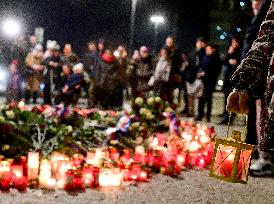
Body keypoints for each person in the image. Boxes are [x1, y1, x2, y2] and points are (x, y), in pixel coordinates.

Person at [227, 2, 274, 176]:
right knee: (261, 114)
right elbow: (266, 36)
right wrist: (244, 80)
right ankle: (264, 156)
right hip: (265, 75)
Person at [241, 0, 272, 148]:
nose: (254, 5)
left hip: (262, 70)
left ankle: (261, 150)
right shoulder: (258, 17)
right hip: (258, 69)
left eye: (256, 2)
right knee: (255, 111)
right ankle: (255, 145)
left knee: (261, 112)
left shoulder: (265, 12)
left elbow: (261, 40)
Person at [196, 44, 222, 122]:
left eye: (209, 49)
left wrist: (206, 73)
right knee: (201, 99)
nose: (207, 51)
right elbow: (200, 66)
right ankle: (200, 115)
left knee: (208, 99)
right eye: (206, 49)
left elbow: (217, 71)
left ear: (213, 50)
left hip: (210, 82)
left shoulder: (216, 59)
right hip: (202, 81)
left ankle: (208, 116)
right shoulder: (204, 57)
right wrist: (199, 72)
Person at [220, 36, 243, 124]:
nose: (234, 44)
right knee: (226, 97)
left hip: (236, 78)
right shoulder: (230, 51)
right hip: (228, 78)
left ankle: (229, 117)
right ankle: (226, 115)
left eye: (235, 42)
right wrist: (229, 54)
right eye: (232, 42)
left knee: (232, 98)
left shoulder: (241, 52)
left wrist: (235, 62)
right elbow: (224, 61)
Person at [42, 40, 62, 105]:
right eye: (52, 51)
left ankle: (57, 103)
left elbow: (62, 64)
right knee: (47, 89)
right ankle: (47, 103)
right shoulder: (48, 57)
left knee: (57, 90)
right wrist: (49, 63)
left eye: (54, 51)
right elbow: (44, 61)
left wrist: (57, 65)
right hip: (48, 77)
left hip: (57, 77)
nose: (53, 52)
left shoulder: (59, 58)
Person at [82, 41, 100, 107]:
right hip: (90, 75)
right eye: (89, 46)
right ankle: (91, 103)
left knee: (92, 90)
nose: (90, 47)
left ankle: (93, 104)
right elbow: (85, 65)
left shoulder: (97, 54)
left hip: (96, 75)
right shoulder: (87, 55)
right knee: (89, 90)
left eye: (92, 45)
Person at [165, 36, 182, 104]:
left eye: (171, 42)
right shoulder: (164, 51)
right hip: (165, 77)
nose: (169, 43)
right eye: (168, 42)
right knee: (166, 94)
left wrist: (178, 74)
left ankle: (174, 108)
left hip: (174, 76)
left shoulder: (177, 52)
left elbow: (180, 64)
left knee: (174, 95)